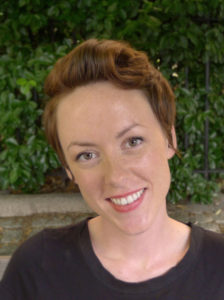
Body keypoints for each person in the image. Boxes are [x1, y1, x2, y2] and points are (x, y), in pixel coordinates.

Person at [0, 39, 224, 300]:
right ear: (68, 169)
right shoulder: (37, 269)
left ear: (169, 139)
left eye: (133, 141)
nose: (116, 177)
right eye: (87, 155)